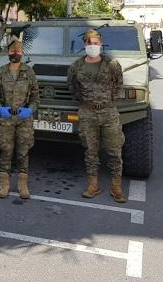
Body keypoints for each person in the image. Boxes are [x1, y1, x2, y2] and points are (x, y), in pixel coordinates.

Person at [67, 28, 126, 203]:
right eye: (89, 43)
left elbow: (118, 84)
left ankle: (116, 187)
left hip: (109, 112)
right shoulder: (76, 66)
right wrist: (86, 101)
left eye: (96, 43)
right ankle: (93, 185)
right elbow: (72, 87)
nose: (93, 45)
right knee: (90, 151)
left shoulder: (112, 64)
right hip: (87, 112)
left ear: (101, 43)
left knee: (114, 150)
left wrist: (108, 101)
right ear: (84, 44)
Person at [0, 38, 40, 199]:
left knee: (23, 151)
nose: (15, 53)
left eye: (18, 50)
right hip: (6, 118)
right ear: (7, 52)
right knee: (5, 150)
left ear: (22, 53)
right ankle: (4, 184)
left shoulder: (29, 72)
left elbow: (35, 97)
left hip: (23, 118)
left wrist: (30, 110)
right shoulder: (2, 71)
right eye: (12, 50)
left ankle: (22, 185)